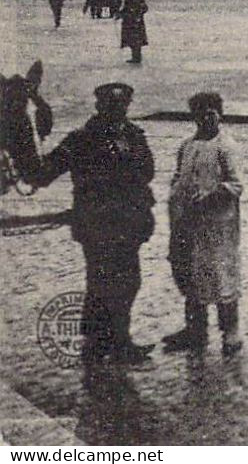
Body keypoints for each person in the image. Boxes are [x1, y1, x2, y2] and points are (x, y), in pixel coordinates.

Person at [23, 82, 157, 365]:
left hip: (128, 224)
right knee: (101, 282)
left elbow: (148, 170)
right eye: (112, 107)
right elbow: (46, 172)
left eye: (121, 107)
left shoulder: (133, 135)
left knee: (129, 282)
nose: (118, 112)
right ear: (99, 108)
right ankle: (99, 343)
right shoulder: (81, 139)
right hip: (97, 225)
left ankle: (120, 339)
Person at [161, 92, 244, 357]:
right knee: (190, 274)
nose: (207, 118)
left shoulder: (226, 146)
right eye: (201, 114)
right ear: (194, 117)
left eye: (213, 112)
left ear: (220, 115)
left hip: (218, 226)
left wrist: (212, 194)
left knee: (220, 276)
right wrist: (176, 198)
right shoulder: (186, 146)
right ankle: (195, 330)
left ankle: (230, 331)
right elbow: (178, 176)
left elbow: (236, 184)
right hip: (188, 222)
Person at [119, 0, 149, 65]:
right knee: (131, 41)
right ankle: (134, 57)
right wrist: (119, 15)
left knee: (137, 41)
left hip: (136, 24)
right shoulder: (126, 0)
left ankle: (137, 57)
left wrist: (138, 15)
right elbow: (124, 10)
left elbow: (145, 8)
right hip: (128, 23)